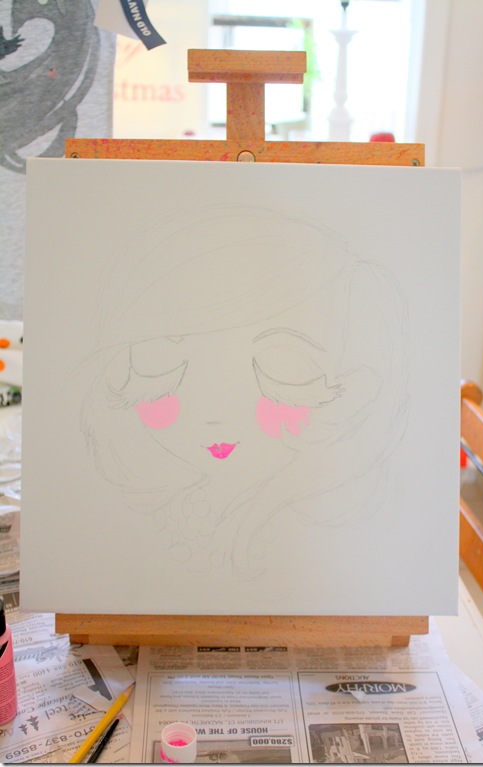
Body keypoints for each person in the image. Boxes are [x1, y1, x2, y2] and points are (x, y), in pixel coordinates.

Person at [80, 204, 408, 579]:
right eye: (165, 360)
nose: (215, 413)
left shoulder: (337, 537)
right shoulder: (125, 518)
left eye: (281, 365)